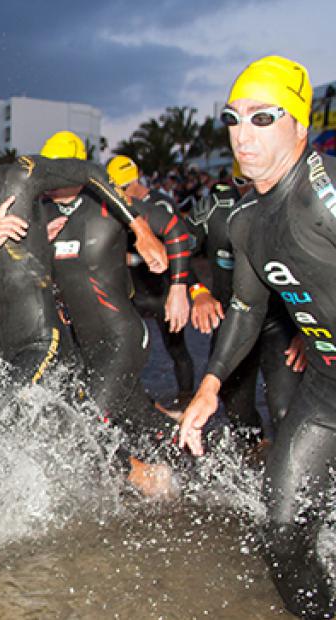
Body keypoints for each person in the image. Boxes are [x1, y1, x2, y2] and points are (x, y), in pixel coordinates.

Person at [0, 105, 168, 526]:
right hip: (2, 349)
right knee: (72, 429)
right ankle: (140, 472)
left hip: (40, 341)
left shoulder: (18, 177)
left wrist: (139, 229)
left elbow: (88, 171)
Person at [177, 55, 336, 619]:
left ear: (300, 125)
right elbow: (246, 307)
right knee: (282, 528)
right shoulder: (245, 219)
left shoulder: (324, 193)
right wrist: (210, 384)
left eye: (263, 118)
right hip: (325, 387)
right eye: (233, 118)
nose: (243, 136)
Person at [41, 135, 190, 491]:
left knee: (82, 421)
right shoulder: (40, 213)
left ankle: (146, 478)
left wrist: (181, 288)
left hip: (122, 336)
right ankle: (208, 462)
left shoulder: (109, 203)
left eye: (63, 168)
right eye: (48, 170)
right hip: (83, 343)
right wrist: (36, 244)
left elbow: (175, 229)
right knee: (140, 418)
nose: (53, 177)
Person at [184, 162, 303, 443]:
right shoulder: (213, 209)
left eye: (260, 178)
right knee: (238, 416)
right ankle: (257, 451)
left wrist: (305, 330)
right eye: (243, 180)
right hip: (233, 322)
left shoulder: (293, 207)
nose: (252, 188)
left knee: (285, 412)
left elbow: (316, 277)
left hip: (279, 324)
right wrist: (198, 292)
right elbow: (178, 252)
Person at [107, 156, 196, 407]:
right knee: (131, 347)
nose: (122, 193)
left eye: (124, 188)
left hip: (163, 290)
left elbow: (179, 247)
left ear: (136, 180)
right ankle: (135, 401)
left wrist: (189, 289)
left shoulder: (160, 204)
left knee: (176, 347)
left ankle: (187, 399)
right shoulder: (119, 204)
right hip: (136, 290)